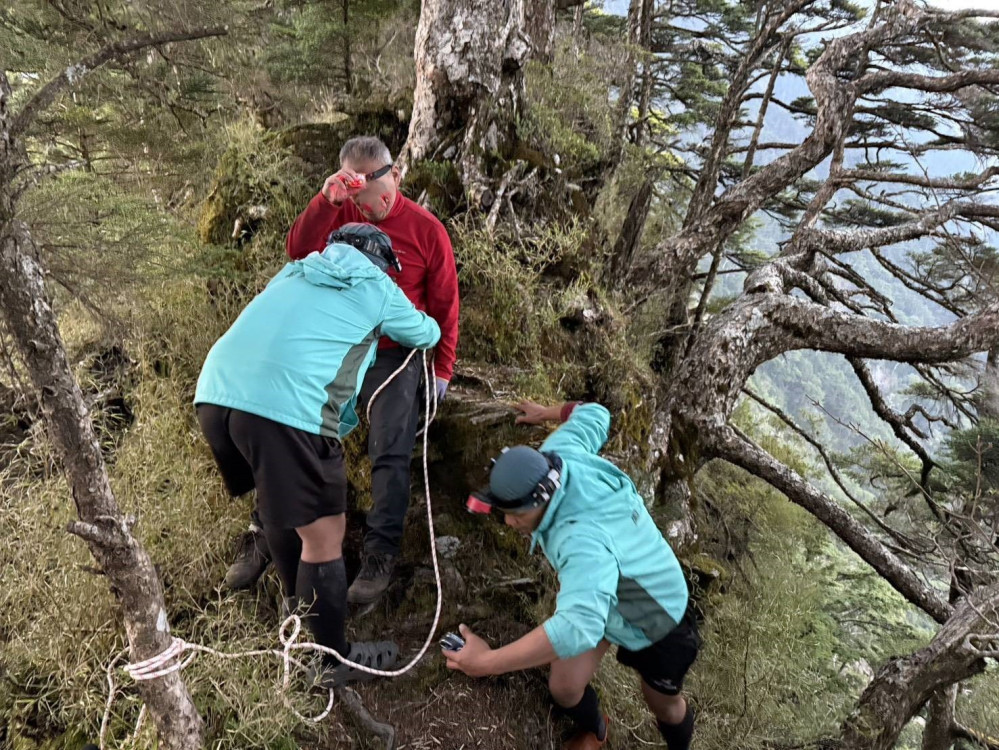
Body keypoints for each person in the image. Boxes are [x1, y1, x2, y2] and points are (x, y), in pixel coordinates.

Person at [195, 224, 440, 686]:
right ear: (383, 264)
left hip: (216, 393)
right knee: (325, 532)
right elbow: (426, 333)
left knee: (278, 507)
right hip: (283, 410)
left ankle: (297, 613)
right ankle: (330, 660)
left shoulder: (293, 272)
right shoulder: (380, 288)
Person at [224, 135, 460, 608]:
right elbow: (298, 253)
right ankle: (267, 531)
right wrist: (325, 202)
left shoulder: (427, 230)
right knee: (291, 424)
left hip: (394, 352)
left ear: (395, 176)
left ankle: (379, 556)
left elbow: (445, 305)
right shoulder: (342, 212)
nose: (373, 211)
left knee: (390, 443)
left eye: (382, 200)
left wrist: (442, 372)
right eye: (362, 203)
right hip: (336, 344)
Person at [444, 401, 699, 750]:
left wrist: (486, 662)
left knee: (664, 706)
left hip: (660, 618)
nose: (507, 522)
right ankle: (597, 731)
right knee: (564, 688)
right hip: (606, 600)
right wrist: (547, 413)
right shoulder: (556, 454)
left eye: (514, 513)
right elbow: (595, 414)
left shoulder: (580, 541)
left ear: (540, 499)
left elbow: (578, 627)